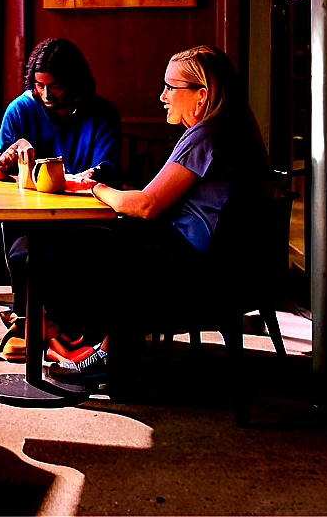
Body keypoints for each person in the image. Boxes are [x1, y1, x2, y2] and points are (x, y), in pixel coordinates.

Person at [47, 44, 269, 384]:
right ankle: (106, 346)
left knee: (87, 245)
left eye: (170, 87)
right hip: (230, 265)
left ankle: (107, 352)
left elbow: (147, 204)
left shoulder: (206, 136)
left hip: (200, 271)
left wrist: (92, 188)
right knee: (103, 241)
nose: (162, 96)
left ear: (201, 95)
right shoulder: (228, 129)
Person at [0, 38, 122, 361]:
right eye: (39, 85)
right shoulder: (21, 108)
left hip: (75, 222)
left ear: (76, 83)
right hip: (22, 215)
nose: (46, 95)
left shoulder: (101, 114)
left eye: (55, 86)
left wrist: (77, 179)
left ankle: (26, 319)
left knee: (32, 242)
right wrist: (7, 156)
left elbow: (110, 171)